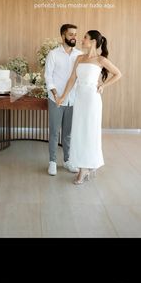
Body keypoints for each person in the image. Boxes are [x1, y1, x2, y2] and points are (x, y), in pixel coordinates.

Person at [56, 30, 122, 184]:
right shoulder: (79, 58)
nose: (81, 39)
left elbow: (118, 74)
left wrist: (103, 85)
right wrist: (63, 96)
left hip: (92, 99)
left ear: (93, 42)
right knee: (79, 131)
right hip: (80, 99)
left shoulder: (101, 59)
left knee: (90, 132)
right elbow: (72, 79)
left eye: (85, 37)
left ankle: (84, 169)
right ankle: (82, 167)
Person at [45, 24, 82, 176]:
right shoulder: (53, 54)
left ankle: (67, 161)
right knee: (54, 132)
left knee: (68, 133)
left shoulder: (79, 55)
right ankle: (52, 162)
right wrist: (56, 96)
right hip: (56, 99)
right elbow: (48, 77)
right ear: (63, 36)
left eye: (75, 34)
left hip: (73, 100)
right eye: (71, 34)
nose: (74, 37)